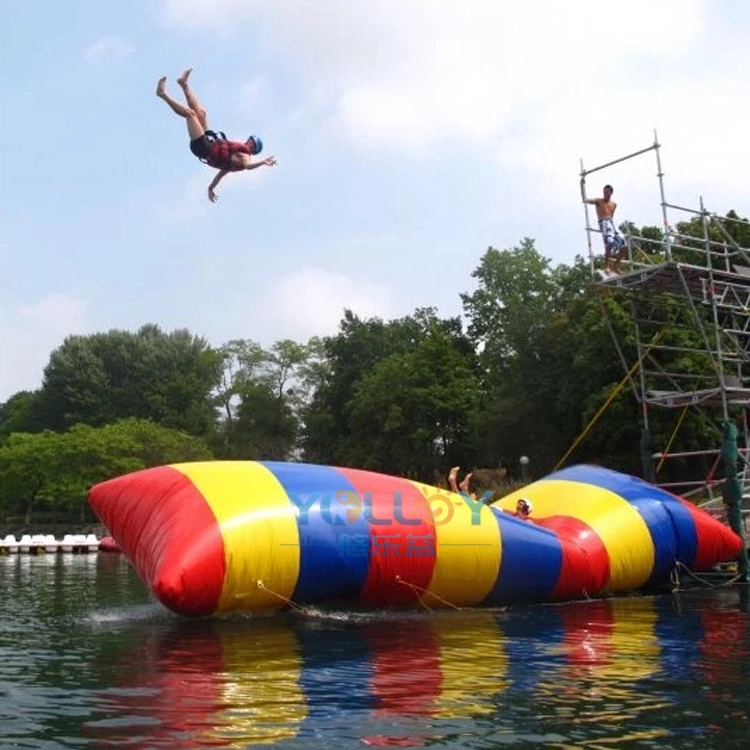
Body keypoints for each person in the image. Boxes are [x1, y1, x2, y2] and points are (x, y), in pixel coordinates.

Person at [156, 68, 277, 203]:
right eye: (250, 140)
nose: (248, 142)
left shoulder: (245, 157)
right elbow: (219, 176)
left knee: (190, 114)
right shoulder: (235, 160)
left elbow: (248, 167)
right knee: (202, 114)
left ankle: (162, 94)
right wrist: (211, 188)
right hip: (210, 142)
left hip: (203, 148)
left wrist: (263, 162)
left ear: (253, 149)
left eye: (252, 143)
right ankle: (183, 84)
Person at [581, 182, 627, 276]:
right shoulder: (598, 201)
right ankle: (606, 265)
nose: (605, 194)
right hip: (604, 223)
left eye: (607, 192)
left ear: (611, 193)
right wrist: (582, 185)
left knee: (624, 245)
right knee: (609, 243)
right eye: (604, 192)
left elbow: (611, 216)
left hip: (612, 223)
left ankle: (616, 266)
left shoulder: (614, 204)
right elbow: (585, 200)